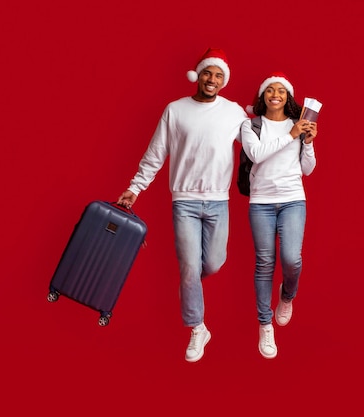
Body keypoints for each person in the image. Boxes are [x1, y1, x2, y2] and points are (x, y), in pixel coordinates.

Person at [117, 47, 248, 362]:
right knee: (189, 266)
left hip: (218, 201)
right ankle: (197, 327)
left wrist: (294, 139)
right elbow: (156, 153)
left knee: (212, 264)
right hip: (184, 202)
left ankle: (190, 288)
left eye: (218, 75)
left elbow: (258, 145)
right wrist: (135, 188)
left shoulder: (234, 113)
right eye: (207, 73)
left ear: (224, 80)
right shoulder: (175, 110)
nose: (211, 79)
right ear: (198, 75)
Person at [240, 72, 318, 359]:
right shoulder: (251, 126)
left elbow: (308, 169)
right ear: (263, 97)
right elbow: (257, 154)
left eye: (281, 91)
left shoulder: (298, 126)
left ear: (288, 98)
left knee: (291, 259)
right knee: (264, 263)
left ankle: (287, 295)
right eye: (270, 90)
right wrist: (292, 135)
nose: (275, 94)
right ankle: (264, 324)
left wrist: (307, 142)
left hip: (293, 200)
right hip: (261, 202)